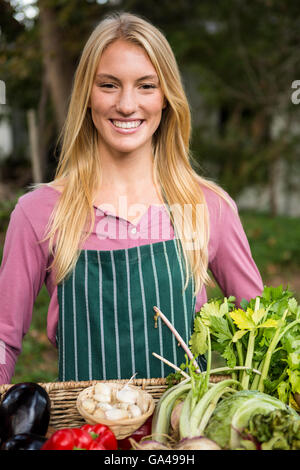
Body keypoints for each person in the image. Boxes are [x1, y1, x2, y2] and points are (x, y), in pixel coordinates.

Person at [0, 12, 263, 385]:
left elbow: (261, 331)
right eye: (108, 85)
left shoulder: (206, 207)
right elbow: (3, 338)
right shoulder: (40, 212)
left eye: (146, 86)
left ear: (167, 98)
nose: (126, 105)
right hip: (86, 437)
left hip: (184, 437)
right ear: (86, 96)